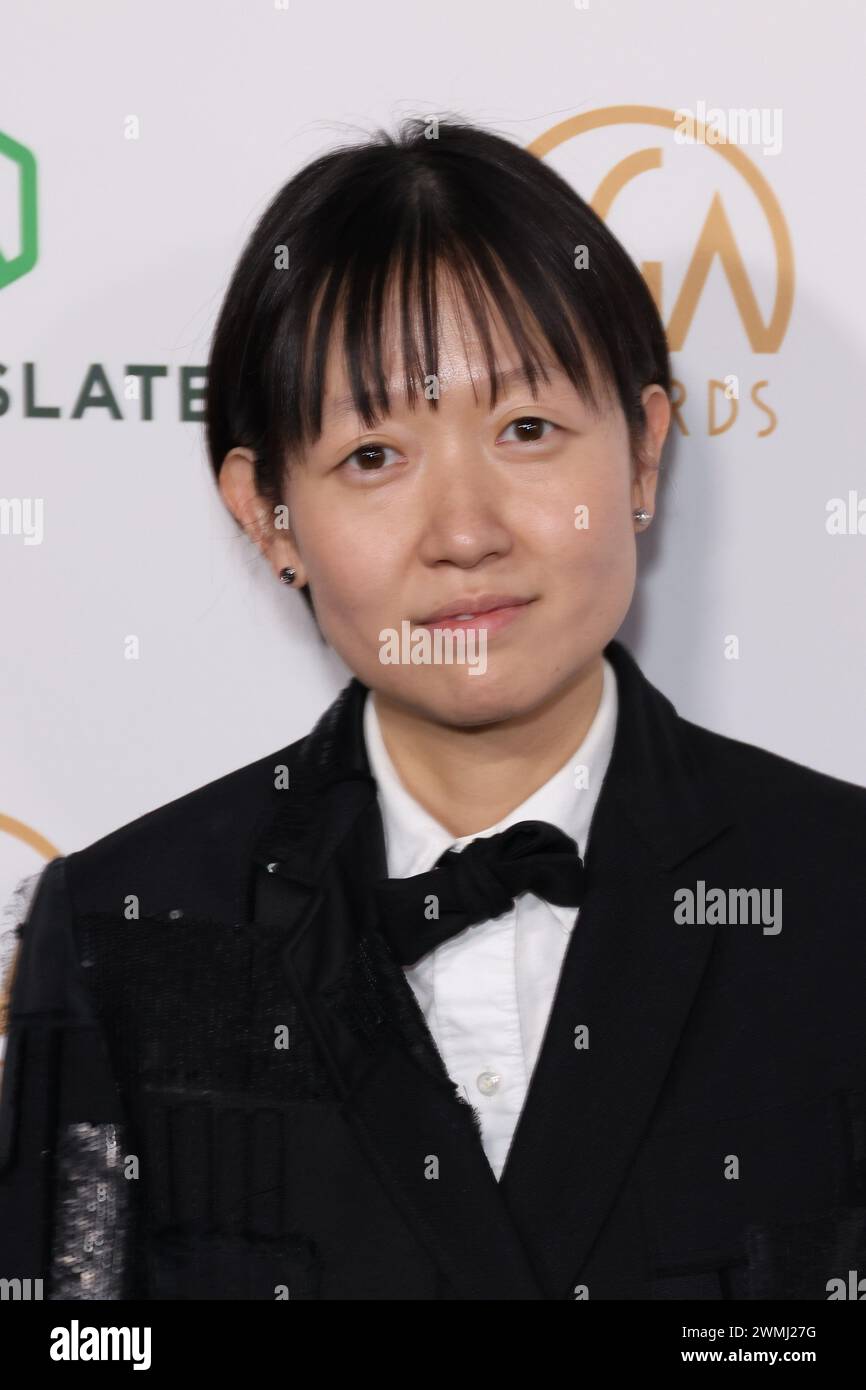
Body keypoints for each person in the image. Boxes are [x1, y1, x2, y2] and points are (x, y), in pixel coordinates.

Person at [1, 116, 865, 1302]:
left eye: (526, 431)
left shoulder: (838, 896)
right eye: (371, 456)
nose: (464, 532)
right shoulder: (128, 930)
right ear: (267, 514)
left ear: (644, 454)